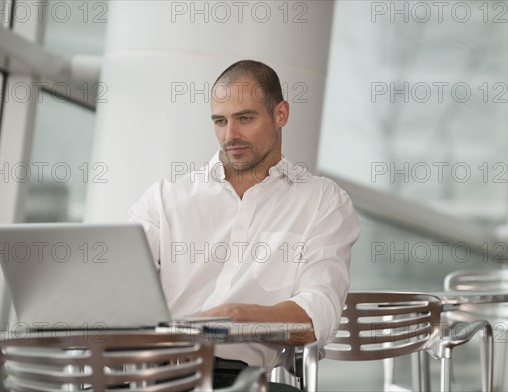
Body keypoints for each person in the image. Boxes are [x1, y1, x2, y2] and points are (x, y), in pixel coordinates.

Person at [129, 59, 360, 390]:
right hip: (150, 369)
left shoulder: (322, 201)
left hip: (239, 377)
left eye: (245, 118)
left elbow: (318, 312)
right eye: (220, 121)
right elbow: (119, 288)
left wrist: (236, 315)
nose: (230, 135)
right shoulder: (165, 199)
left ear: (280, 114)